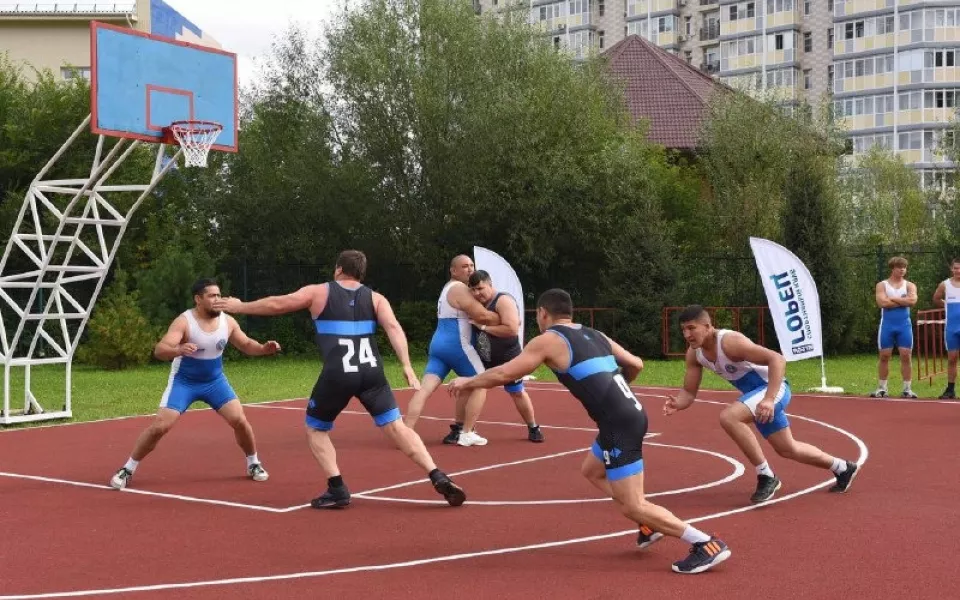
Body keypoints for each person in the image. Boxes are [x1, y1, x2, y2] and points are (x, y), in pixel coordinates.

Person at [449, 289, 731, 575]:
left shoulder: (548, 340)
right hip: (629, 414)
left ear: (543, 314)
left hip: (618, 423)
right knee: (592, 471)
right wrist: (617, 390)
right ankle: (648, 524)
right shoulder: (595, 334)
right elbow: (636, 364)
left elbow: (505, 373)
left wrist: (469, 382)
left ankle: (705, 543)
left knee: (633, 504)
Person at [214, 250, 466, 508]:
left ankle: (337, 488)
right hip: (372, 372)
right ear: (362, 273)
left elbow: (279, 303)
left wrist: (240, 306)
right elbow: (393, 327)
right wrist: (406, 365)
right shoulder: (376, 298)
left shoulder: (319, 292)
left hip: (338, 373)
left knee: (316, 428)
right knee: (397, 428)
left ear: (338, 269)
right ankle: (437, 474)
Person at [666, 305, 860, 504]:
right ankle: (842, 468)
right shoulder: (694, 354)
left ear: (707, 326)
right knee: (787, 448)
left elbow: (777, 359)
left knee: (729, 417)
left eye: (692, 328)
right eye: (683, 330)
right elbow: (689, 391)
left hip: (773, 389)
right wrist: (679, 403)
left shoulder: (729, 342)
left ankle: (766, 476)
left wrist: (768, 399)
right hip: (755, 397)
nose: (687, 334)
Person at [109, 278, 278, 490]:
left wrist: (263, 349)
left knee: (240, 420)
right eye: (212, 296)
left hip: (215, 382)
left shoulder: (228, 322)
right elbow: (160, 350)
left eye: (219, 295)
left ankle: (253, 463)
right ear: (198, 299)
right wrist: (177, 350)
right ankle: (128, 469)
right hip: (185, 382)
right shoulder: (184, 321)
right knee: (161, 426)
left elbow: (245, 344)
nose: (217, 299)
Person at [403, 254, 501, 447]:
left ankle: (407, 432)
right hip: (457, 345)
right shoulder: (459, 288)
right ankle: (467, 432)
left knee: (426, 390)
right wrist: (506, 318)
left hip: (439, 344)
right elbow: (482, 316)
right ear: (453, 270)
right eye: (464, 266)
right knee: (481, 381)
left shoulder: (448, 288)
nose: (470, 269)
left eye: (472, 265)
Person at [467, 270, 543, 442]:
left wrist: (484, 327)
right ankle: (466, 429)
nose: (477, 293)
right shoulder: (473, 302)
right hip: (483, 357)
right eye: (473, 290)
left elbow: (511, 329)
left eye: (480, 288)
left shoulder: (503, 300)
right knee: (475, 387)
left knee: (516, 392)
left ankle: (533, 427)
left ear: (490, 284)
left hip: (508, 357)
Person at [870, 256, 918, 398]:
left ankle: (907, 389)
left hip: (904, 325)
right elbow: (882, 303)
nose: (902, 270)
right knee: (884, 356)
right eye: (899, 267)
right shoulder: (882, 285)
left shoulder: (910, 285)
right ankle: (882, 387)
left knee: (906, 356)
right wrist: (903, 301)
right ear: (892, 268)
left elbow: (912, 301)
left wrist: (893, 299)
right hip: (887, 325)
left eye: (904, 267)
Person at [932, 257, 960, 399]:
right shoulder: (945, 284)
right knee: (952, 359)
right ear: (951, 269)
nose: (958, 271)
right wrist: (946, 304)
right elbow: (936, 298)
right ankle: (950, 389)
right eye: (956, 268)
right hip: (952, 328)